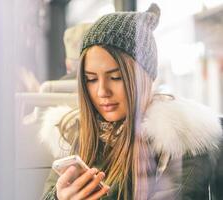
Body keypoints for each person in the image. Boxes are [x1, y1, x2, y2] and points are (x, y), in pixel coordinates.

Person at [40, 3, 223, 200]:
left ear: (146, 76)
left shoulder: (181, 141)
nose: (102, 91)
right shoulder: (75, 132)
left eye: (116, 77)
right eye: (91, 79)